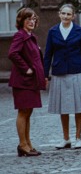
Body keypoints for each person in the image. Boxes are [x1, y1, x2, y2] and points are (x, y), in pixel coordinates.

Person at [44, 4, 81, 149]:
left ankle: (79, 138)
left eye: (69, 14)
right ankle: (66, 138)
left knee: (78, 105)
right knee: (63, 106)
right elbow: (48, 54)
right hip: (59, 71)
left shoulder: (80, 31)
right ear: (59, 14)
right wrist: (45, 75)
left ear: (73, 16)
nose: (66, 16)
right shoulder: (53, 31)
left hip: (77, 71)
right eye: (63, 13)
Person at [8, 8, 46, 157]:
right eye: (28, 19)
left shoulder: (31, 36)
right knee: (23, 111)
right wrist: (26, 69)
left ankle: (27, 143)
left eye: (34, 19)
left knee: (28, 112)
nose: (32, 21)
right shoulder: (20, 35)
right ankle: (22, 144)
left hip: (31, 81)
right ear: (22, 21)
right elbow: (12, 53)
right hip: (22, 81)